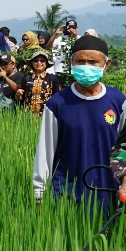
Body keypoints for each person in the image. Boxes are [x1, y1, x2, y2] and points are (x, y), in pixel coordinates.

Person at [33, 36, 126, 211]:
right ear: (71, 62)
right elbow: (45, 154)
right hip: (66, 195)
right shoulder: (57, 103)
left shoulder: (118, 101)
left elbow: (124, 148)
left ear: (106, 65)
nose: (86, 66)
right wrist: (39, 194)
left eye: (93, 62)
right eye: (80, 61)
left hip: (109, 192)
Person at [16, 49, 61, 115]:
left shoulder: (52, 78)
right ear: (32, 63)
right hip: (27, 115)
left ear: (46, 63)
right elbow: (20, 98)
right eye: (36, 61)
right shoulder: (26, 78)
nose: (39, 63)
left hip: (46, 115)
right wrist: (17, 94)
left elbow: (57, 98)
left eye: (42, 60)